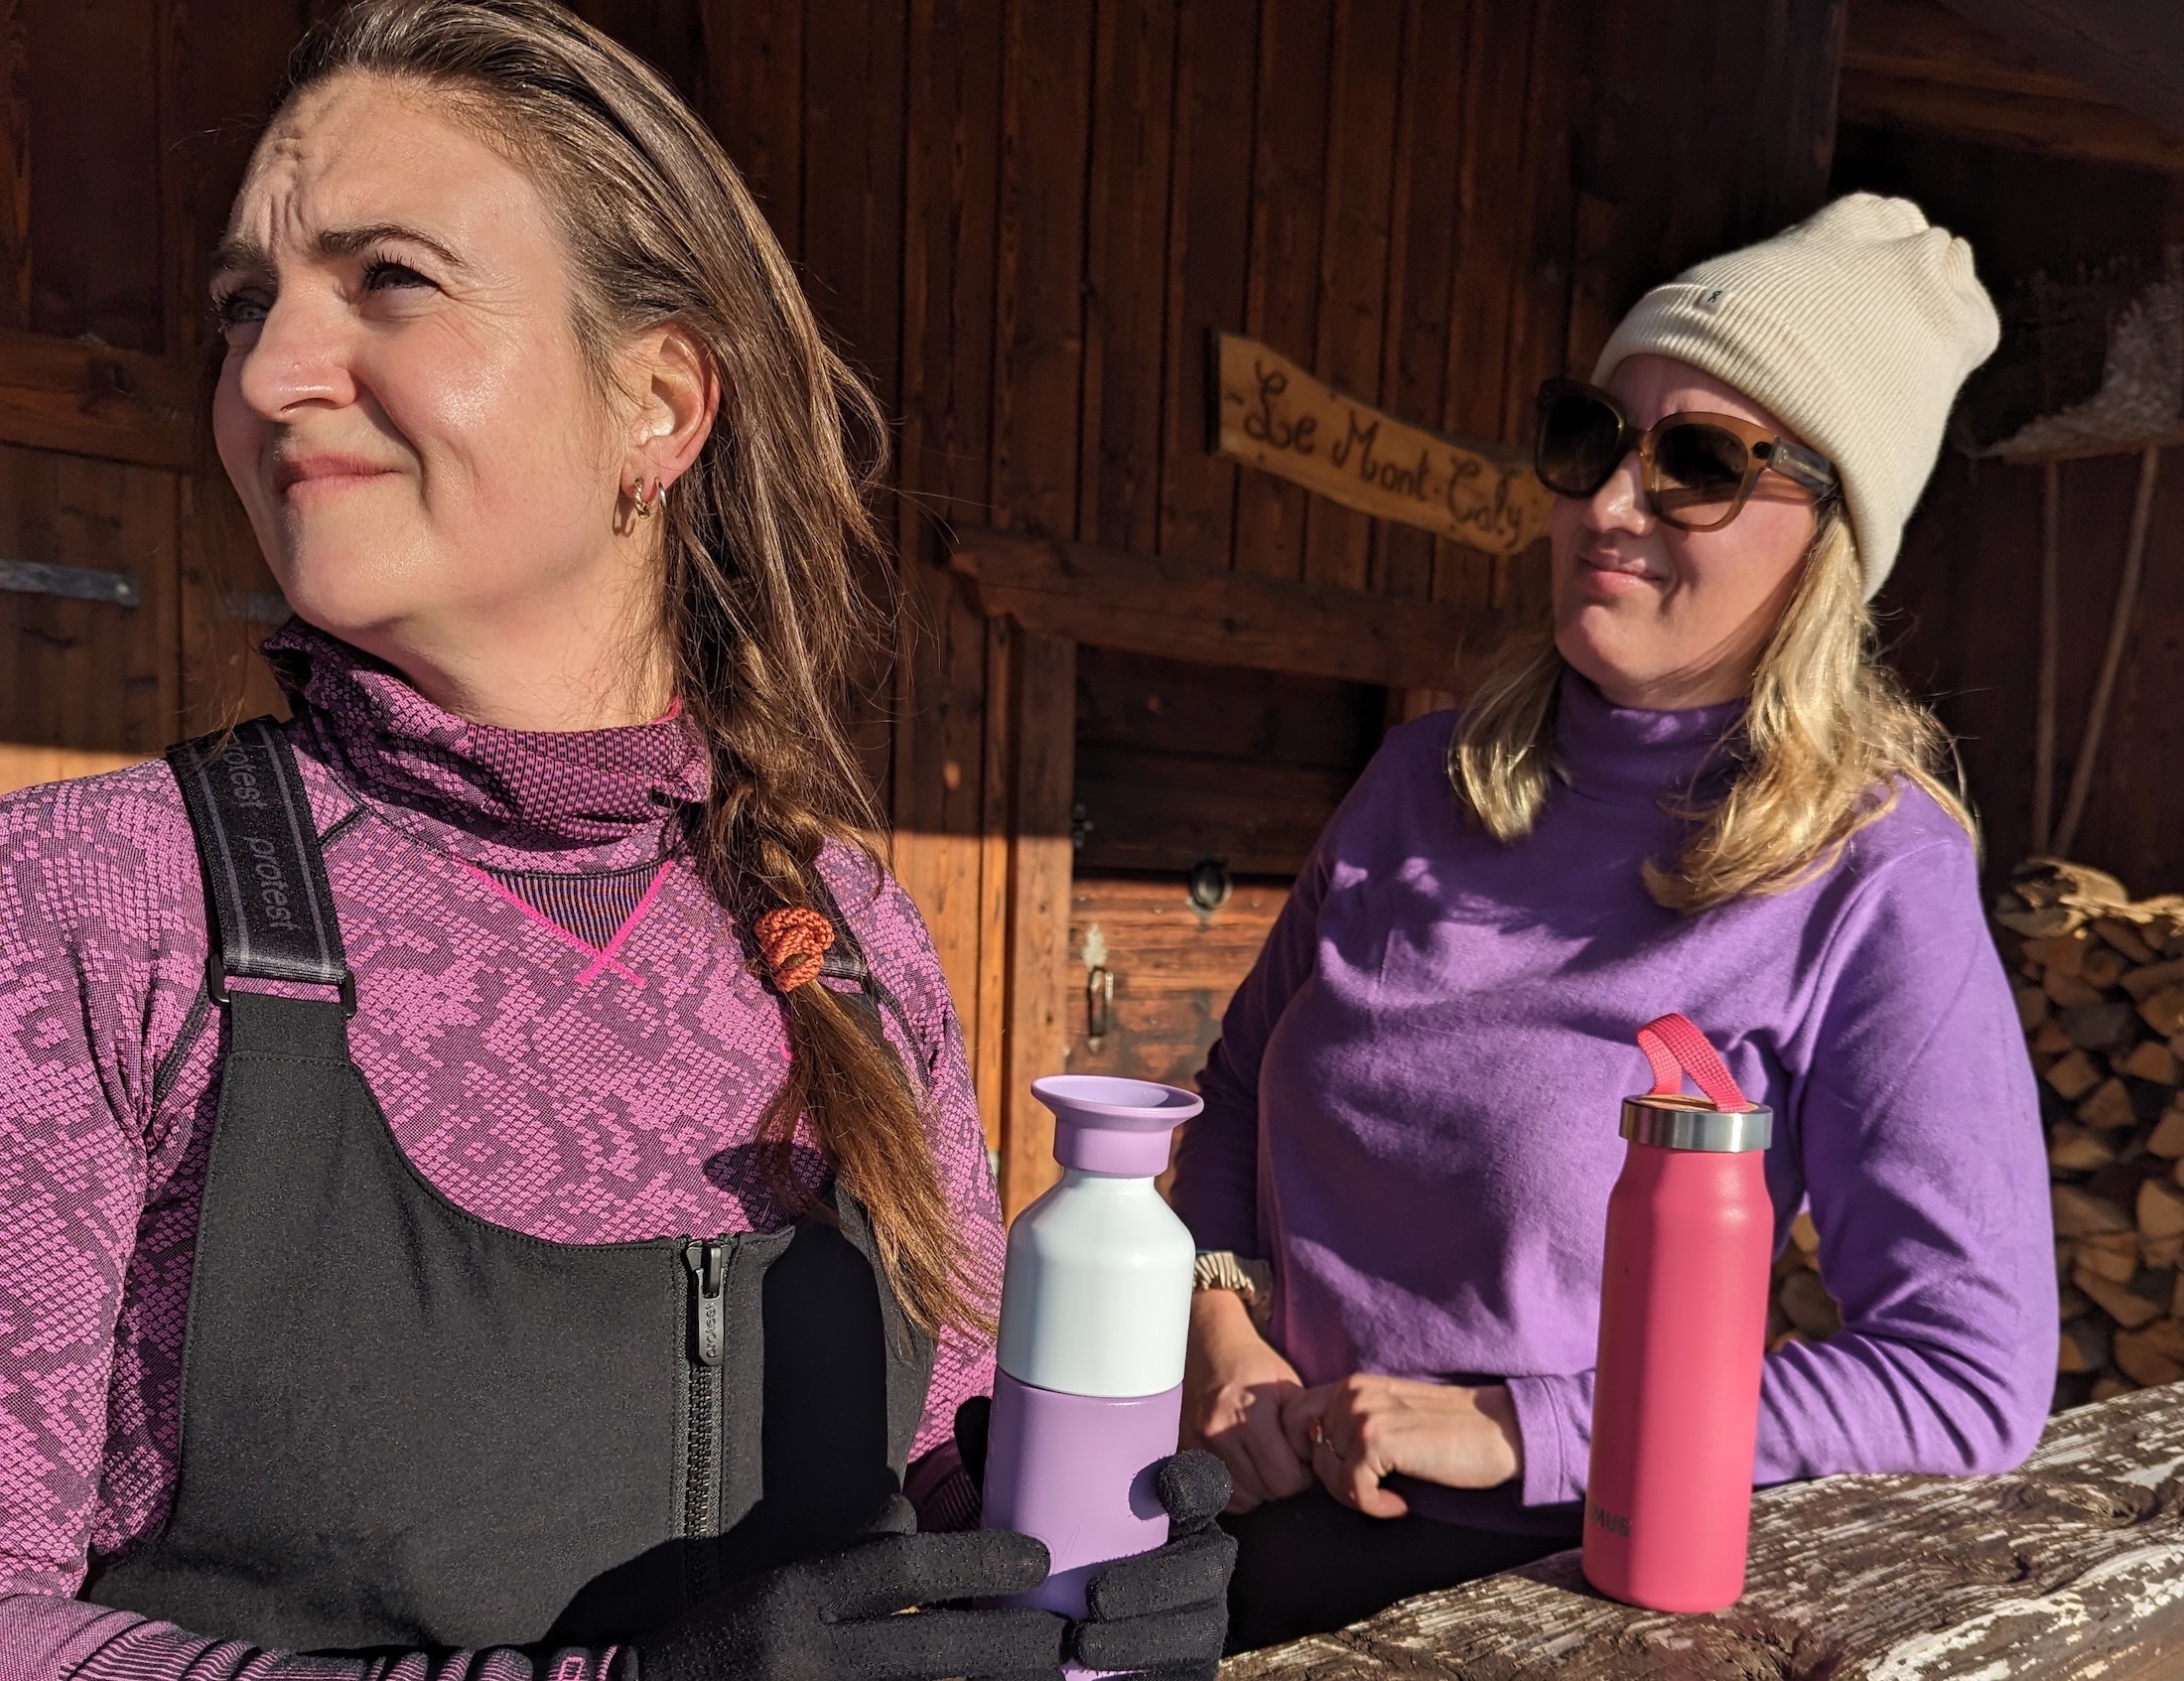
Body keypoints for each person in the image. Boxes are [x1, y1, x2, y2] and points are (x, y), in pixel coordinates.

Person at [0, 2, 1232, 1675]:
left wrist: (1073, 1547)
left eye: (390, 279)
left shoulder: (843, 929)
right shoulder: (96, 905)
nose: (267, 375)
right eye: (243, 304)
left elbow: (935, 1455)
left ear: (659, 400)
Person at [1170, 194, 2058, 1649]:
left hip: (1559, 1607)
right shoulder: (1420, 782)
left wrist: (1530, 1429)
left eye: (1698, 462)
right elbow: (1231, 1094)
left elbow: (1965, 1377)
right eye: (1593, 437)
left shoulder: (1868, 873)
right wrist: (1221, 1328)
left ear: (1836, 534)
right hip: (1235, 1548)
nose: (1611, 504)